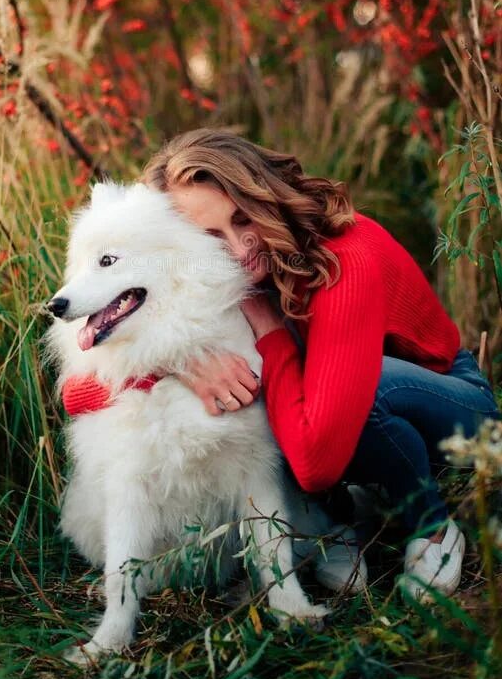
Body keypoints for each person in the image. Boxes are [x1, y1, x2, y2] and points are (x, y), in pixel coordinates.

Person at [61, 128, 499, 600]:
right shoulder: (215, 277)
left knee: (353, 392)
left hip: (446, 401)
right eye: (209, 234)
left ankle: (430, 526)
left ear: (262, 195)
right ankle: (332, 524)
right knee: (258, 399)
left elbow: (314, 463)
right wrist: (179, 366)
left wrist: (270, 331)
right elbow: (77, 394)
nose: (238, 246)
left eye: (242, 218)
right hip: (337, 410)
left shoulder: (345, 261)